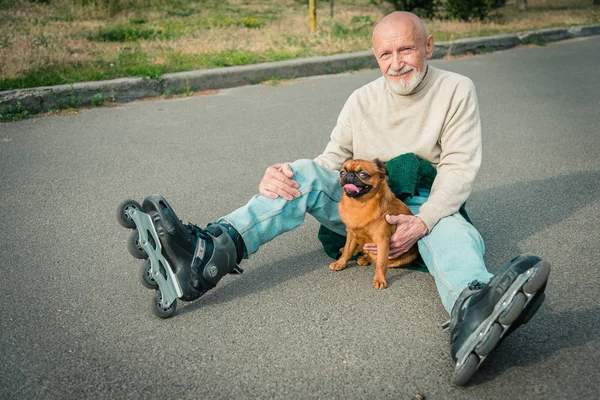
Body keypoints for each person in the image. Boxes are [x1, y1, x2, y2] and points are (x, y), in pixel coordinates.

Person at [140, 11, 550, 385]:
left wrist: (424, 220)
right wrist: (283, 176)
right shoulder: (362, 99)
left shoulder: (456, 89)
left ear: (428, 46)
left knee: (454, 233)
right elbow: (330, 162)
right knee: (299, 170)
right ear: (376, 57)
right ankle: (208, 252)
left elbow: (459, 168)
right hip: (361, 199)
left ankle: (474, 305)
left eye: (407, 48)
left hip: (421, 203)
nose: (397, 62)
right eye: (385, 53)